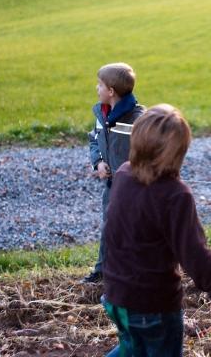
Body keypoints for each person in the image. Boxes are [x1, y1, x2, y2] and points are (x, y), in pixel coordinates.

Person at [102, 104, 211, 357]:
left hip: (115, 295)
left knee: (133, 348)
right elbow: (194, 255)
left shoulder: (124, 173)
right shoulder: (175, 195)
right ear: (178, 152)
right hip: (152, 306)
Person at [83, 62, 145, 283]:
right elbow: (94, 140)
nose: (96, 89)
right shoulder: (101, 114)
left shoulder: (139, 119)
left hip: (135, 189)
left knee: (134, 231)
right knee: (109, 227)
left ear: (111, 91)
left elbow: (152, 151)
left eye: (99, 85)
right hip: (112, 187)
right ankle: (102, 272)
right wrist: (99, 162)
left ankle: (136, 273)